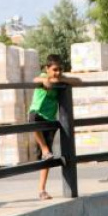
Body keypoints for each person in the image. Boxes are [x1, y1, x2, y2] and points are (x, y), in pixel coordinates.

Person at [27, 54, 82, 200]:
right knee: (33, 122)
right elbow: (35, 80)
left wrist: (62, 79)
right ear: (47, 69)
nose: (57, 72)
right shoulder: (43, 77)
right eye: (54, 70)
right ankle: (44, 148)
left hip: (50, 118)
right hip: (37, 113)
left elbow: (78, 80)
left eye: (60, 70)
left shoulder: (60, 80)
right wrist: (45, 79)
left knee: (47, 158)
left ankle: (41, 190)